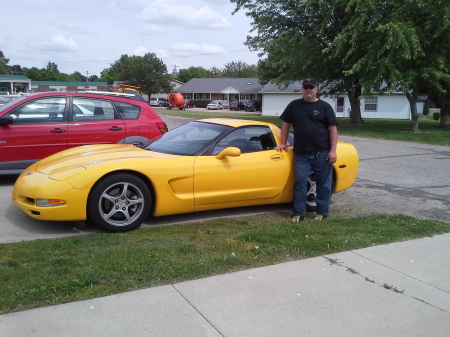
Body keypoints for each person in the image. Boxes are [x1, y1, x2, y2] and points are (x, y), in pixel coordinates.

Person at [275, 77, 338, 222]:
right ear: (302, 89)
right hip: (301, 154)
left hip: (322, 153)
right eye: (306, 87)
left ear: (317, 88)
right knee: (300, 184)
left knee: (323, 185)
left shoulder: (325, 107)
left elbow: (332, 129)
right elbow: (285, 126)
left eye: (311, 87)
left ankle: (322, 212)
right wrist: (283, 143)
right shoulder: (294, 105)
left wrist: (333, 150)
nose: (308, 89)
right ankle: (299, 213)